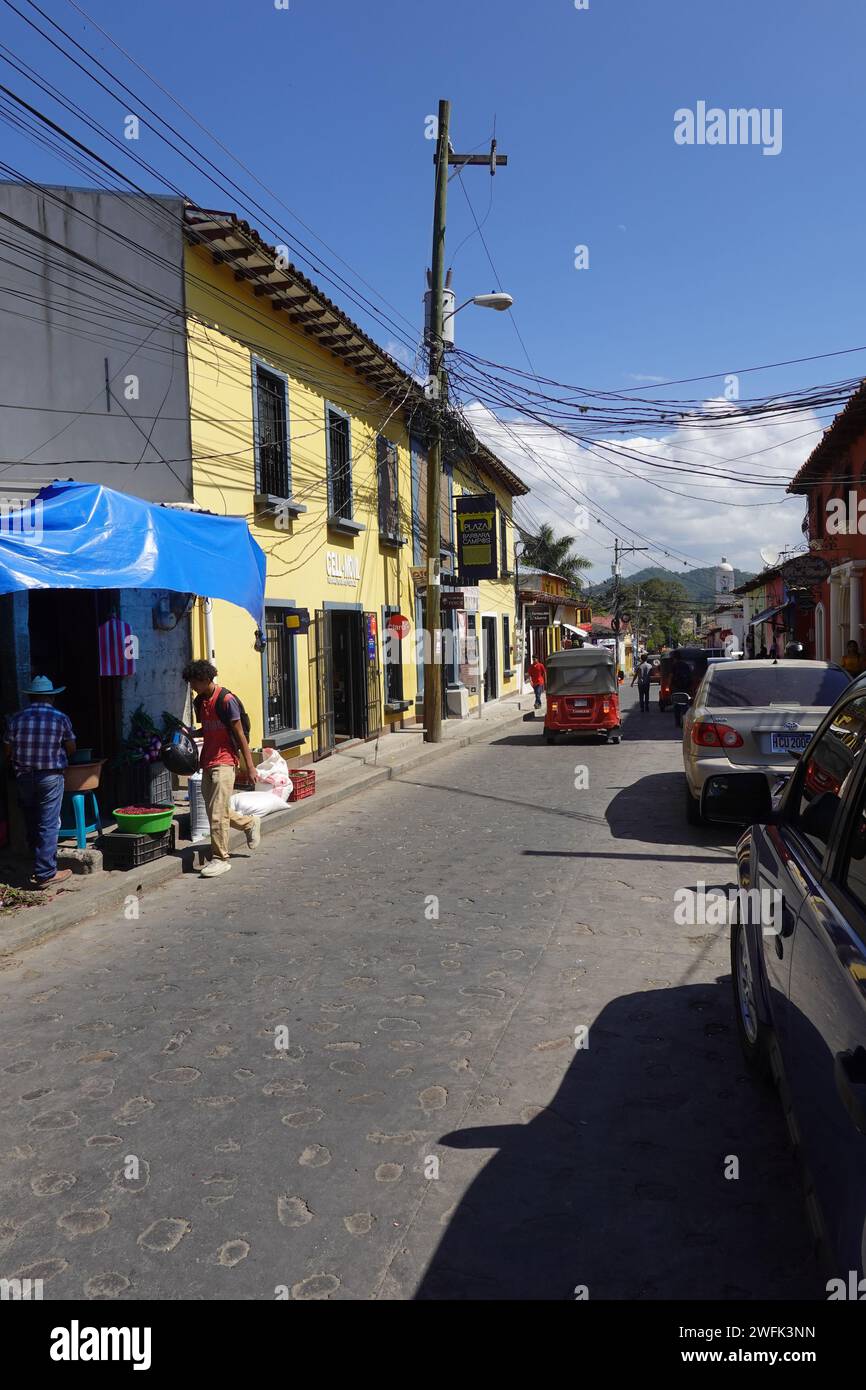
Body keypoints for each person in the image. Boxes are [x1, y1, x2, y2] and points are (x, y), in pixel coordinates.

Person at [182, 660, 261, 879]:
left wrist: (250, 766)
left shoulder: (226, 700)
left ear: (206, 679)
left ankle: (220, 858)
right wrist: (190, 733)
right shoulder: (200, 703)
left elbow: (240, 735)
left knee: (217, 812)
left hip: (225, 761)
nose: (193, 687)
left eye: (195, 683)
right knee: (214, 811)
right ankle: (249, 823)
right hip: (206, 760)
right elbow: (207, 731)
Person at [2, 676, 76, 889]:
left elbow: (8, 750)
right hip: (50, 777)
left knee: (32, 818)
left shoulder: (17, 718)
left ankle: (36, 860)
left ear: (31, 697)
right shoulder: (60, 717)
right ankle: (45, 872)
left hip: (24, 776)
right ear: (51, 697)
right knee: (49, 822)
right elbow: (71, 747)